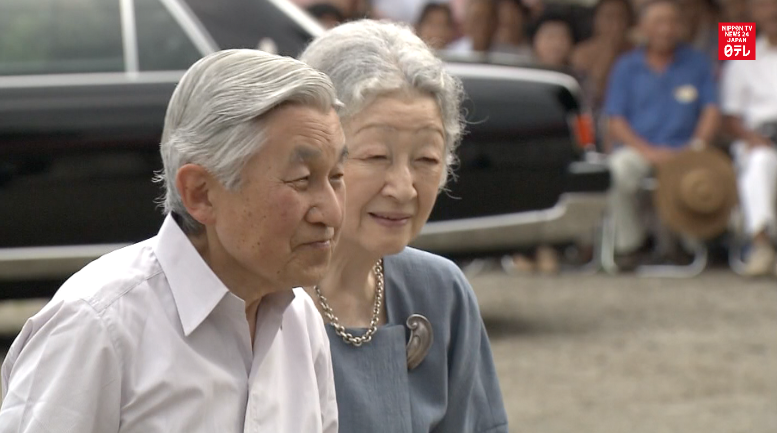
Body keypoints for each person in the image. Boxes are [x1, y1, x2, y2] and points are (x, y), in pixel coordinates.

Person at [0, 49, 345, 432]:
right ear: (201, 193)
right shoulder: (97, 326)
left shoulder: (299, 320)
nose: (332, 213)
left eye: (337, 176)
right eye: (301, 180)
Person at [299, 19, 509, 433]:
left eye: (426, 159)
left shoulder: (440, 291)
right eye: (376, 156)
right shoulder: (258, 297)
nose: (403, 188)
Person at [603, 0, 720, 269]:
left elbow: (713, 110)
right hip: (640, 150)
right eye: (659, 22)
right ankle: (631, 245)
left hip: (686, 150)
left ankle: (686, 247)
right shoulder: (626, 65)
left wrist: (695, 147)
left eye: (672, 22)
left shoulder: (704, 55)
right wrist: (649, 152)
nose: (666, 29)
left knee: (705, 175)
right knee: (616, 171)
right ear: (642, 27)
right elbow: (615, 119)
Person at [720, 0, 777, 277]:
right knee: (758, 163)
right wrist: (750, 136)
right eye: (764, 5)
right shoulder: (740, 41)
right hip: (759, 137)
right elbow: (729, 115)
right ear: (752, 10)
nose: (773, 10)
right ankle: (761, 245)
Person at [571, 0, 635, 113]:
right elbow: (595, 93)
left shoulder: (637, 51)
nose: (616, 23)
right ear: (596, 20)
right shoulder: (582, 53)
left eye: (621, 17)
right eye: (609, 17)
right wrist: (610, 49)